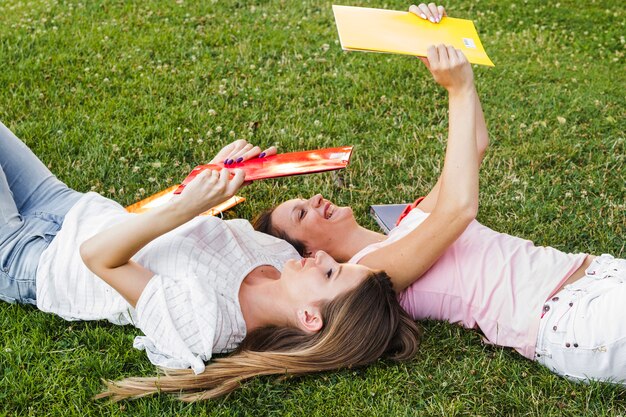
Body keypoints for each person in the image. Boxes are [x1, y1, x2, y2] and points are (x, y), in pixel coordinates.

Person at [254, 4, 626, 386]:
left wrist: (432, 49)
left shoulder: (407, 224)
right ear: (309, 254)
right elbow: (459, 208)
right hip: (574, 318)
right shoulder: (372, 274)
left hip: (597, 275)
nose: (315, 200)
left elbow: (475, 146)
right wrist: (458, 87)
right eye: (301, 214)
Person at [0, 124, 421, 402]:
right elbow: (174, 234)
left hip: (32, 258)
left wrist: (189, 205)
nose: (324, 257)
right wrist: (215, 172)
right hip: (74, 207)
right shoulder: (278, 256)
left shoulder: (205, 324)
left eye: (332, 272)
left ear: (310, 318)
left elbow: (98, 259)